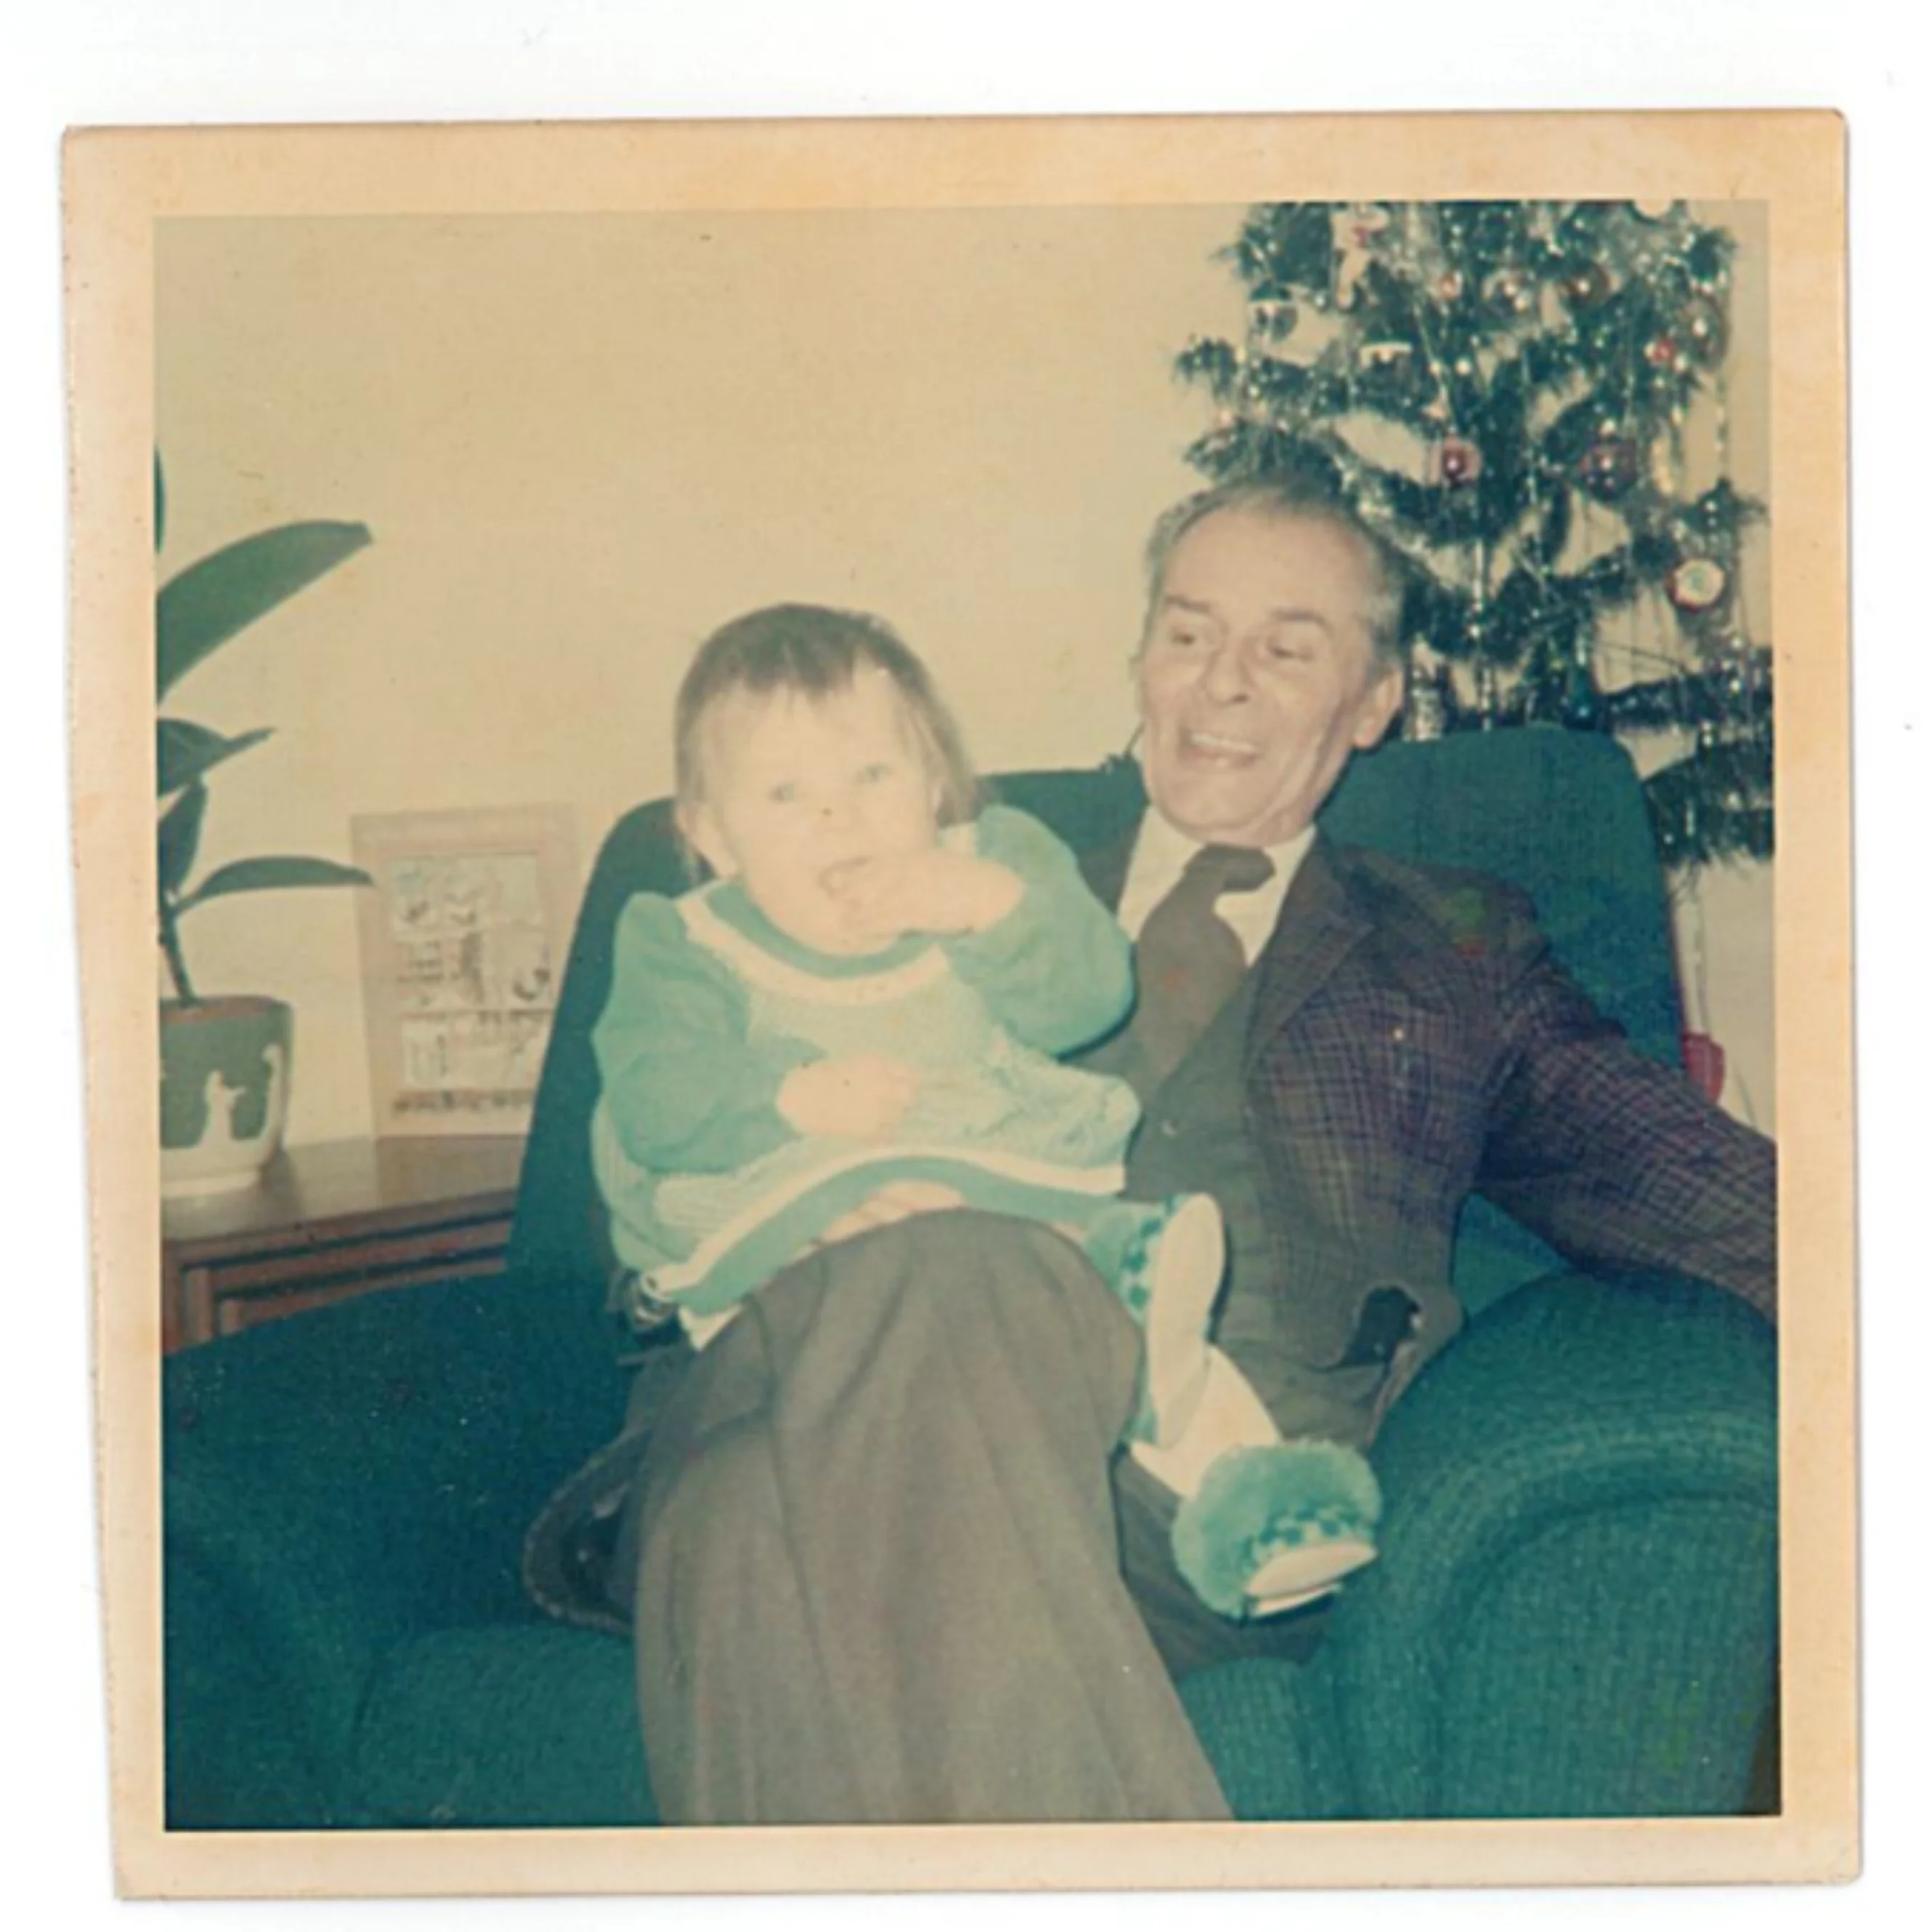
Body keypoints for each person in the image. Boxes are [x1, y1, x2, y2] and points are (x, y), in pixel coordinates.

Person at [528, 474, 1776, 1826]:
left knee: (740, 1542)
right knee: (929, 1296)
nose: (1222, 684)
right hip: (771, 1371)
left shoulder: (1453, 946)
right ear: (1140, 660)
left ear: (1374, 703)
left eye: (1285, 649)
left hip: (1181, 1506)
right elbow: (651, 1139)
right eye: (1188, 634)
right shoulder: (907, 848)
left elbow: (1688, 1184)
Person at [588, 604, 1384, 1623]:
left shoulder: (994, 863)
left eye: (872, 777)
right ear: (709, 834)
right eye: (785, 793)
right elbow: (653, 1097)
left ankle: (1254, 1502)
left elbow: (1088, 997)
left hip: (998, 1207)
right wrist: (785, 1097)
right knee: (1071, 1307)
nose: (840, 818)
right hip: (796, 1224)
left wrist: (985, 909)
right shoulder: (686, 941)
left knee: (1141, 1304)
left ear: (933, 784)